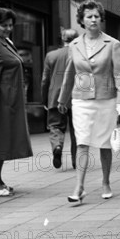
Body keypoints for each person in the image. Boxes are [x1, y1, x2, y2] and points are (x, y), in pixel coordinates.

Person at [58, 0, 120, 204]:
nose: (93, 19)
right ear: (82, 20)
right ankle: (79, 187)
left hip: (107, 99)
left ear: (101, 19)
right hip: (81, 99)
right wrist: (62, 99)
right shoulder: (74, 45)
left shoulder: (113, 44)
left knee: (105, 144)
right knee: (82, 143)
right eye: (89, 16)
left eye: (96, 16)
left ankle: (105, 182)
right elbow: (70, 73)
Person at [0, 7, 33, 196]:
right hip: (0, 102)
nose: (8, 28)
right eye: (4, 25)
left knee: (3, 141)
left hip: (8, 100)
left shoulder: (4, 41)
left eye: (10, 25)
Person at [41, 29, 79, 169]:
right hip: (76, 97)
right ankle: (76, 160)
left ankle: (57, 146)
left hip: (55, 97)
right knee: (77, 130)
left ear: (63, 39)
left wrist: (44, 98)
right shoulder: (80, 54)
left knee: (55, 126)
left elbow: (45, 80)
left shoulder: (51, 55)